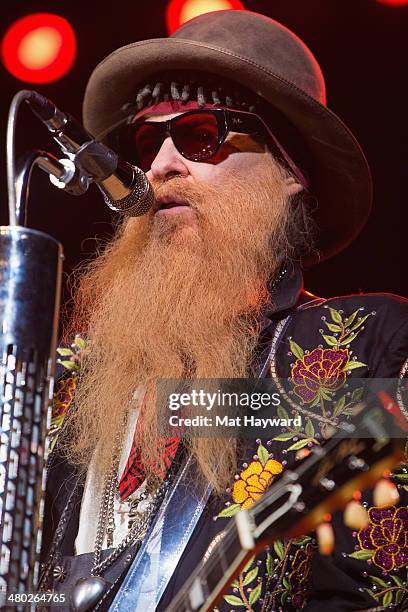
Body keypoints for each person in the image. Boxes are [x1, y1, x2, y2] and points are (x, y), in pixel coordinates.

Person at [39, 10, 408, 611]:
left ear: (289, 170)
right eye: (146, 141)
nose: (160, 166)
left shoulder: (363, 351)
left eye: (199, 134)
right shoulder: (70, 380)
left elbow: (373, 594)